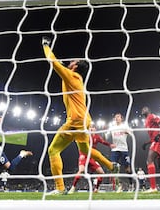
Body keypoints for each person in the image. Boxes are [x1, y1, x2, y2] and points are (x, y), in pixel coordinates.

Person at [41, 36, 119, 195]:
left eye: (73, 61)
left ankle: (60, 188)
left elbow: (54, 63)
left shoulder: (72, 77)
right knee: (86, 150)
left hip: (75, 121)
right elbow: (62, 66)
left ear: (75, 66)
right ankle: (112, 166)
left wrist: (46, 45)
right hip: (83, 120)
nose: (70, 61)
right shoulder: (76, 78)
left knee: (53, 150)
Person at [68, 124, 111, 194]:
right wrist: (81, 154)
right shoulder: (85, 135)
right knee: (81, 170)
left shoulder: (97, 137)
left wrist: (110, 145)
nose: (91, 129)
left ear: (95, 129)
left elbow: (103, 142)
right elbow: (80, 144)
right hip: (84, 156)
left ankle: (96, 189)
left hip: (92, 158)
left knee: (102, 173)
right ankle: (73, 188)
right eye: (90, 127)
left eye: (93, 127)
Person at [107, 113, 133, 192]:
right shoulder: (112, 127)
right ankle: (119, 186)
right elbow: (106, 135)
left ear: (121, 118)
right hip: (115, 150)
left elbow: (131, 133)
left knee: (127, 169)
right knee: (113, 168)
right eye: (115, 117)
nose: (116, 118)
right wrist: (105, 134)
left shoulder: (125, 126)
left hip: (124, 149)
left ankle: (131, 185)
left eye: (118, 117)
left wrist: (128, 132)